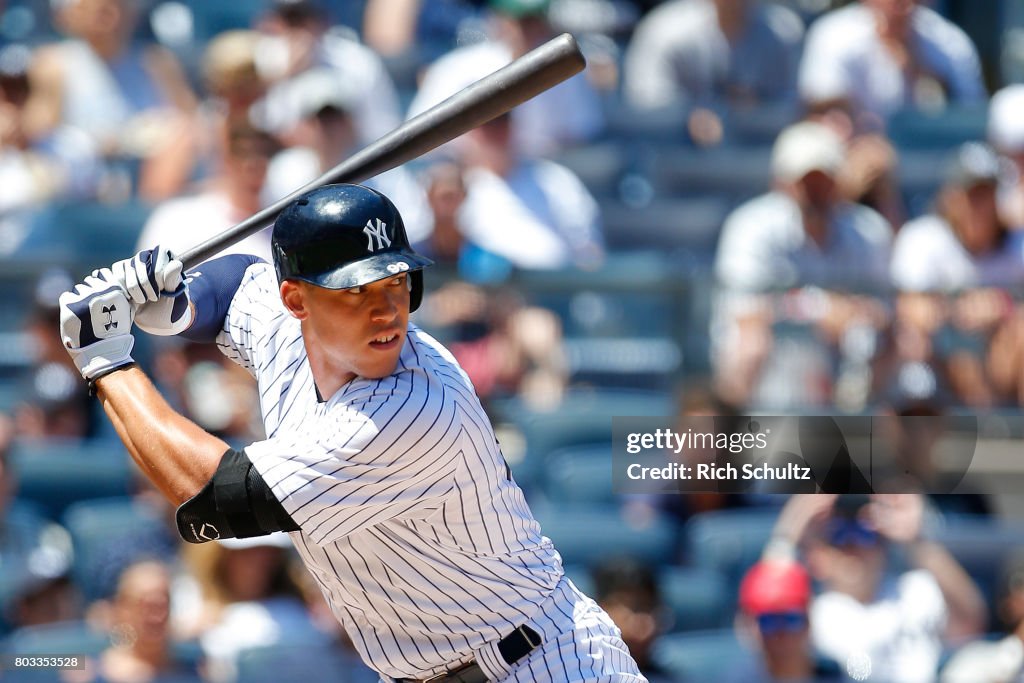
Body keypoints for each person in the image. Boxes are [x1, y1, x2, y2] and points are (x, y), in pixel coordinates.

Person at [57, 183, 646, 682]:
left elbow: (214, 494)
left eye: (394, 284)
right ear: (297, 300)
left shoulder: (413, 407)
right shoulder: (289, 328)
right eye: (356, 291)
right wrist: (180, 303)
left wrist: (108, 362)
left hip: (540, 664)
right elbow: (237, 281)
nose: (385, 310)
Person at [712, 120, 893, 409]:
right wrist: (821, 310)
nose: (815, 190)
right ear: (782, 182)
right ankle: (735, 443)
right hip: (778, 362)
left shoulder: (868, 230)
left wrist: (852, 314)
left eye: (824, 179)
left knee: (896, 339)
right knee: (750, 345)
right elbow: (745, 314)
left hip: (846, 358)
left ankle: (866, 434)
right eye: (806, 180)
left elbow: (885, 309)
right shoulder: (751, 226)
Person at [798, 0, 985, 132]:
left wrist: (916, 68)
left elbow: (969, 115)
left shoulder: (950, 42)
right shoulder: (833, 34)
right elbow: (820, 111)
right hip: (853, 158)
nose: (904, 5)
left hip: (934, 161)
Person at [726, 558, 840, 683]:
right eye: (769, 622)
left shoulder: (836, 676)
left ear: (808, 620)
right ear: (749, 626)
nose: (782, 634)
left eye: (791, 619)